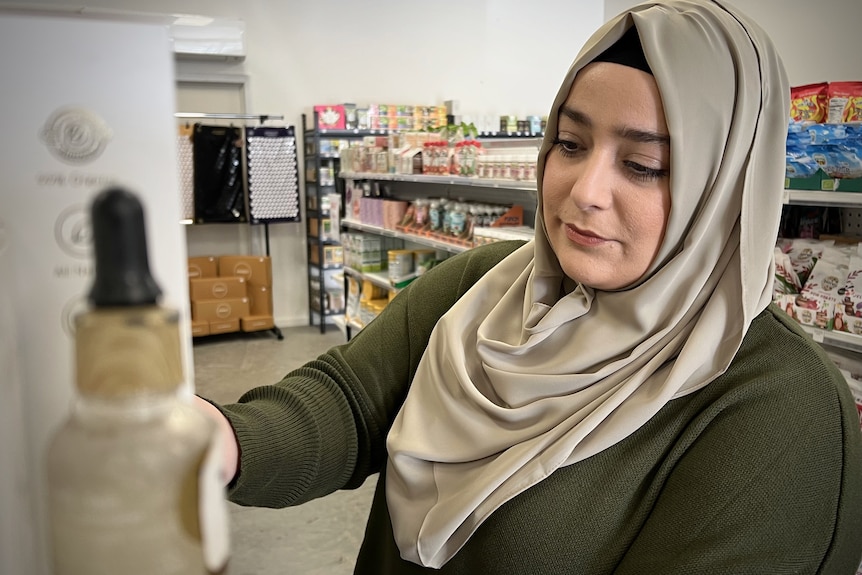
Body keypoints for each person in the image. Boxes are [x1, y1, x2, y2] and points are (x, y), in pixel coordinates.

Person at [196, 0, 862, 572]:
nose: (584, 191)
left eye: (642, 164)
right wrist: (223, 436)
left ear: (726, 187)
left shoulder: (780, 412)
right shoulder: (486, 282)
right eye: (570, 144)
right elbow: (349, 400)